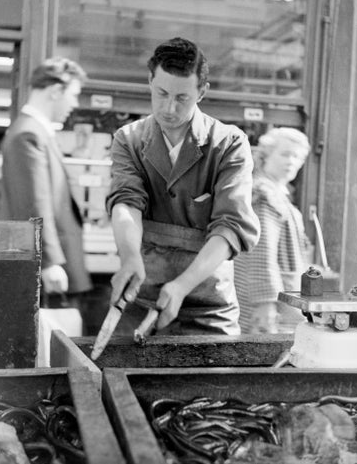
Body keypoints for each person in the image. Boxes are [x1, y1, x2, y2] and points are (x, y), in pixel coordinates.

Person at [106, 37, 260, 335]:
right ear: (150, 80)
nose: (169, 108)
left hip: (207, 305)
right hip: (140, 296)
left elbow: (230, 226)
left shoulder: (228, 143)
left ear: (202, 92)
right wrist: (129, 257)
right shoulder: (129, 139)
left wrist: (182, 286)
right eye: (161, 93)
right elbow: (126, 203)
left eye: (182, 98)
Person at [0, 56, 92, 307]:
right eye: (73, 94)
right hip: (50, 269)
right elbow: (34, 204)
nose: (74, 103)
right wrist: (49, 262)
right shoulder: (28, 134)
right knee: (51, 342)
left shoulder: (34, 132)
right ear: (55, 91)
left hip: (55, 265)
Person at [234, 127, 313, 334]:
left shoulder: (276, 193)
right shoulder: (264, 194)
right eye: (285, 154)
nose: (291, 162)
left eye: (297, 157)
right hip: (270, 304)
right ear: (266, 156)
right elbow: (261, 251)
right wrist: (265, 303)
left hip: (282, 297)